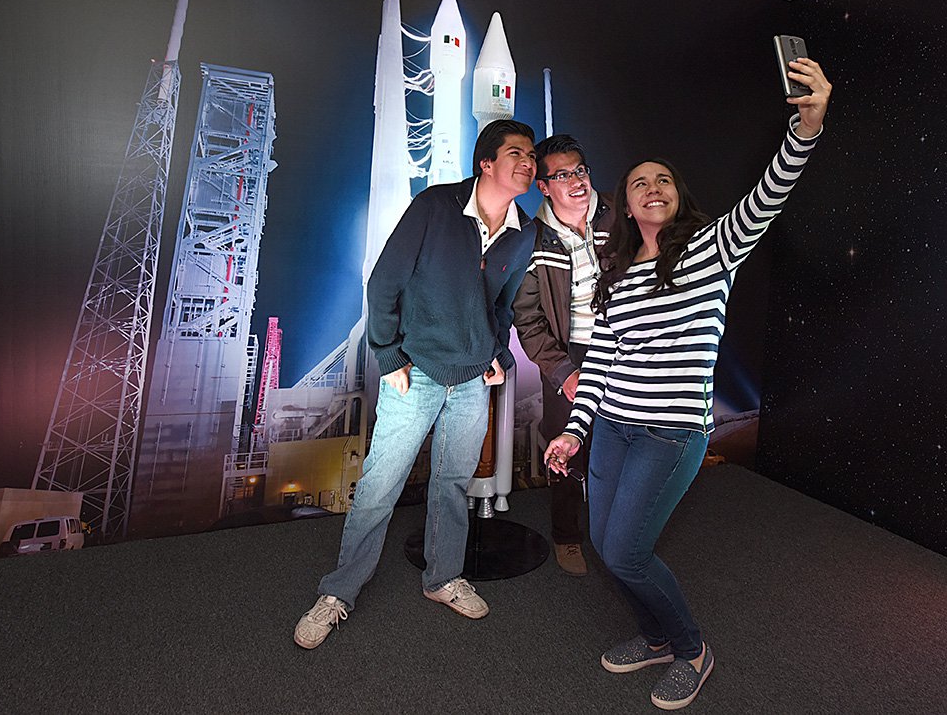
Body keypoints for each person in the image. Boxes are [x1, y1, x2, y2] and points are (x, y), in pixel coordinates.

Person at [544, 58, 832, 709]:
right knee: (606, 544)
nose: (652, 187)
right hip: (613, 428)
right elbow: (602, 367)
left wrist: (806, 131)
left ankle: (691, 649)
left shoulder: (711, 249)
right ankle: (653, 638)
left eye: (663, 179)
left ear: (677, 196)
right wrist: (575, 432)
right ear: (625, 201)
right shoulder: (616, 276)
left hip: (669, 436)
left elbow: (768, 194)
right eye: (639, 181)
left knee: (626, 550)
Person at [294, 119, 538, 650]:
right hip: (417, 372)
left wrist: (496, 353)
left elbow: (503, 304)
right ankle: (338, 591)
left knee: (452, 483)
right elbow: (384, 281)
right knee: (380, 487)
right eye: (516, 153)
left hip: (472, 379)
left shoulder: (525, 232)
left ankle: (443, 577)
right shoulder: (435, 207)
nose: (528, 163)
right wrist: (388, 356)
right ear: (486, 162)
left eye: (532, 157)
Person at [513, 134, 612, 576]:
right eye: (563, 175)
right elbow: (528, 319)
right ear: (544, 186)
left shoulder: (620, 217)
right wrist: (563, 371)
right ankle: (567, 536)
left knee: (620, 441)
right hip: (569, 353)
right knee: (566, 446)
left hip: (624, 346)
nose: (576, 182)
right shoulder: (533, 240)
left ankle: (616, 536)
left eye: (581, 171)